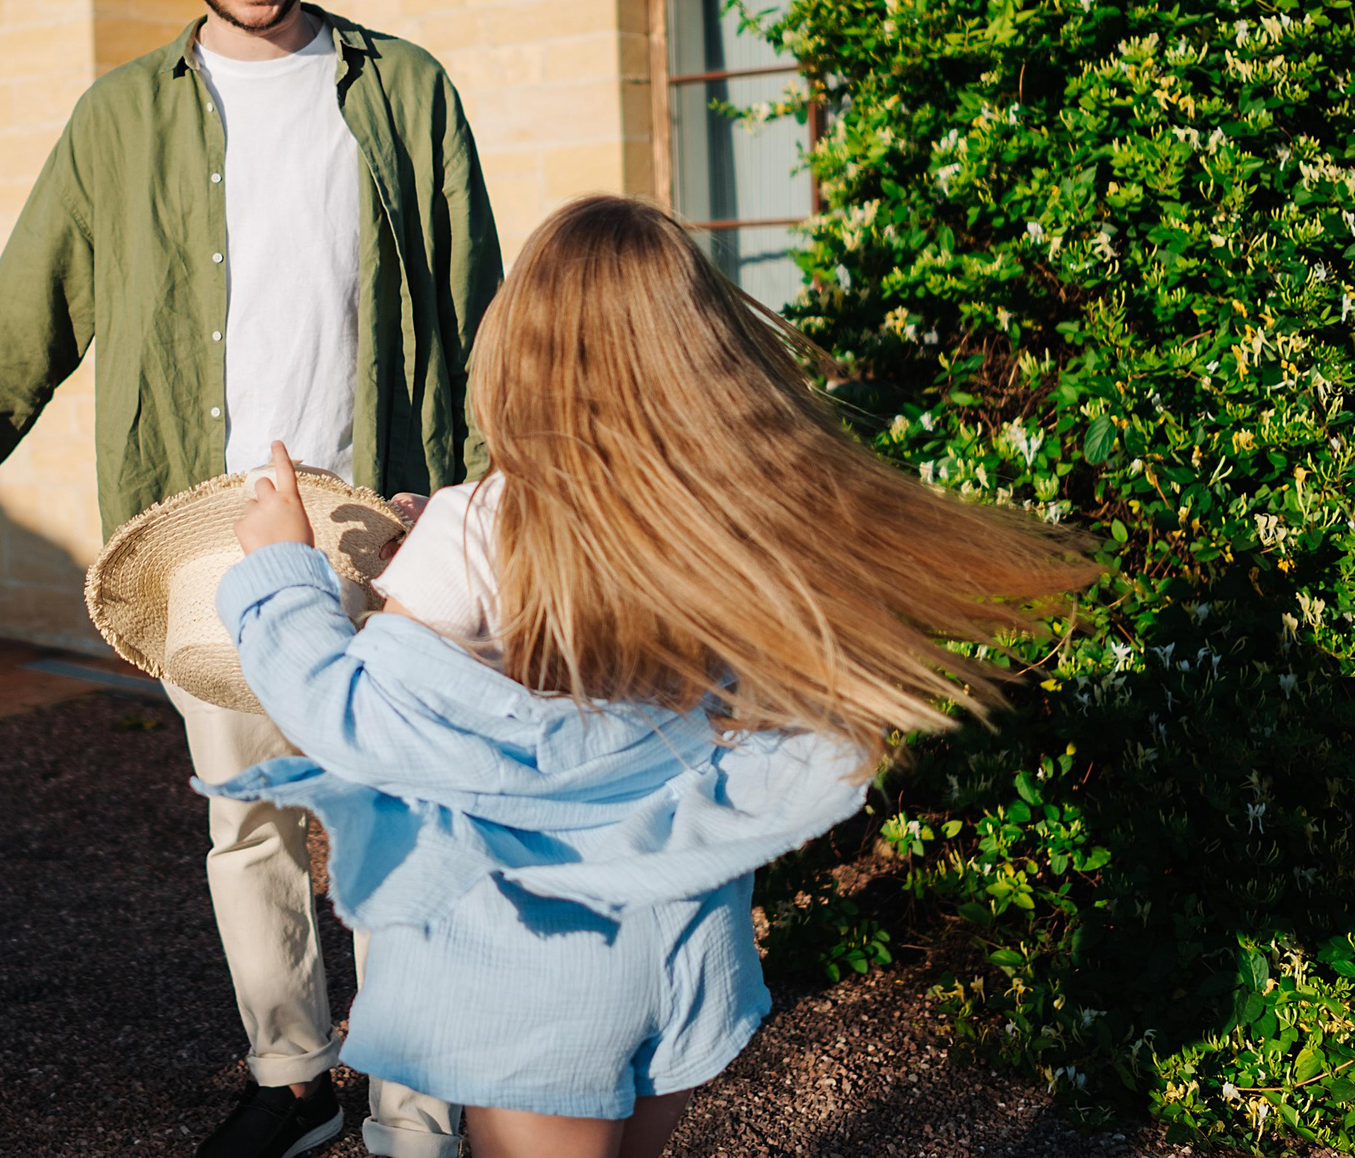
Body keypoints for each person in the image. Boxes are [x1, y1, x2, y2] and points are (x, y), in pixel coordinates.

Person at [217, 196, 1098, 1158]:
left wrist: (283, 568)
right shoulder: (732, 525)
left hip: (544, 976)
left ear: (524, 350)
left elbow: (350, 713)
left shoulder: (482, 524)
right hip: (689, 951)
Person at [0, 0, 502, 1158]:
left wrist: (478, 502)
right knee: (249, 823)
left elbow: (480, 315)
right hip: (206, 535)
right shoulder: (117, 121)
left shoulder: (407, 90)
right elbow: (24, 320)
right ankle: (297, 1081)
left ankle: (416, 1109)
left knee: (404, 821)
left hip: (382, 529)